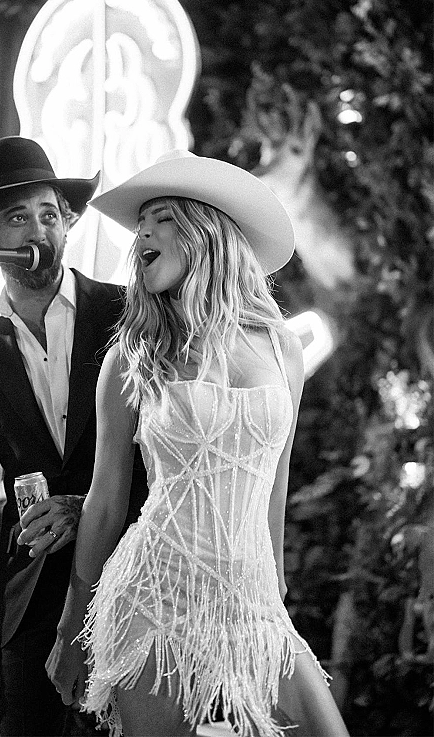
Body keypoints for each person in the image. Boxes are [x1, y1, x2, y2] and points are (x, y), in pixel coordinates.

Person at [44, 150, 350, 737]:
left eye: (158, 218)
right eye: (139, 227)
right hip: (153, 594)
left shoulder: (281, 346)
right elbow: (105, 502)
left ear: (203, 229)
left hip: (250, 601)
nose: (141, 237)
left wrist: (275, 593)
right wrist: (70, 629)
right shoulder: (132, 359)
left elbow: (275, 483)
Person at [0, 136, 147, 736]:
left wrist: (88, 508)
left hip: (131, 579)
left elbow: (169, 453)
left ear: (69, 224)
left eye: (50, 214)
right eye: (18, 216)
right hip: (28, 598)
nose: (38, 229)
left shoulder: (127, 314)